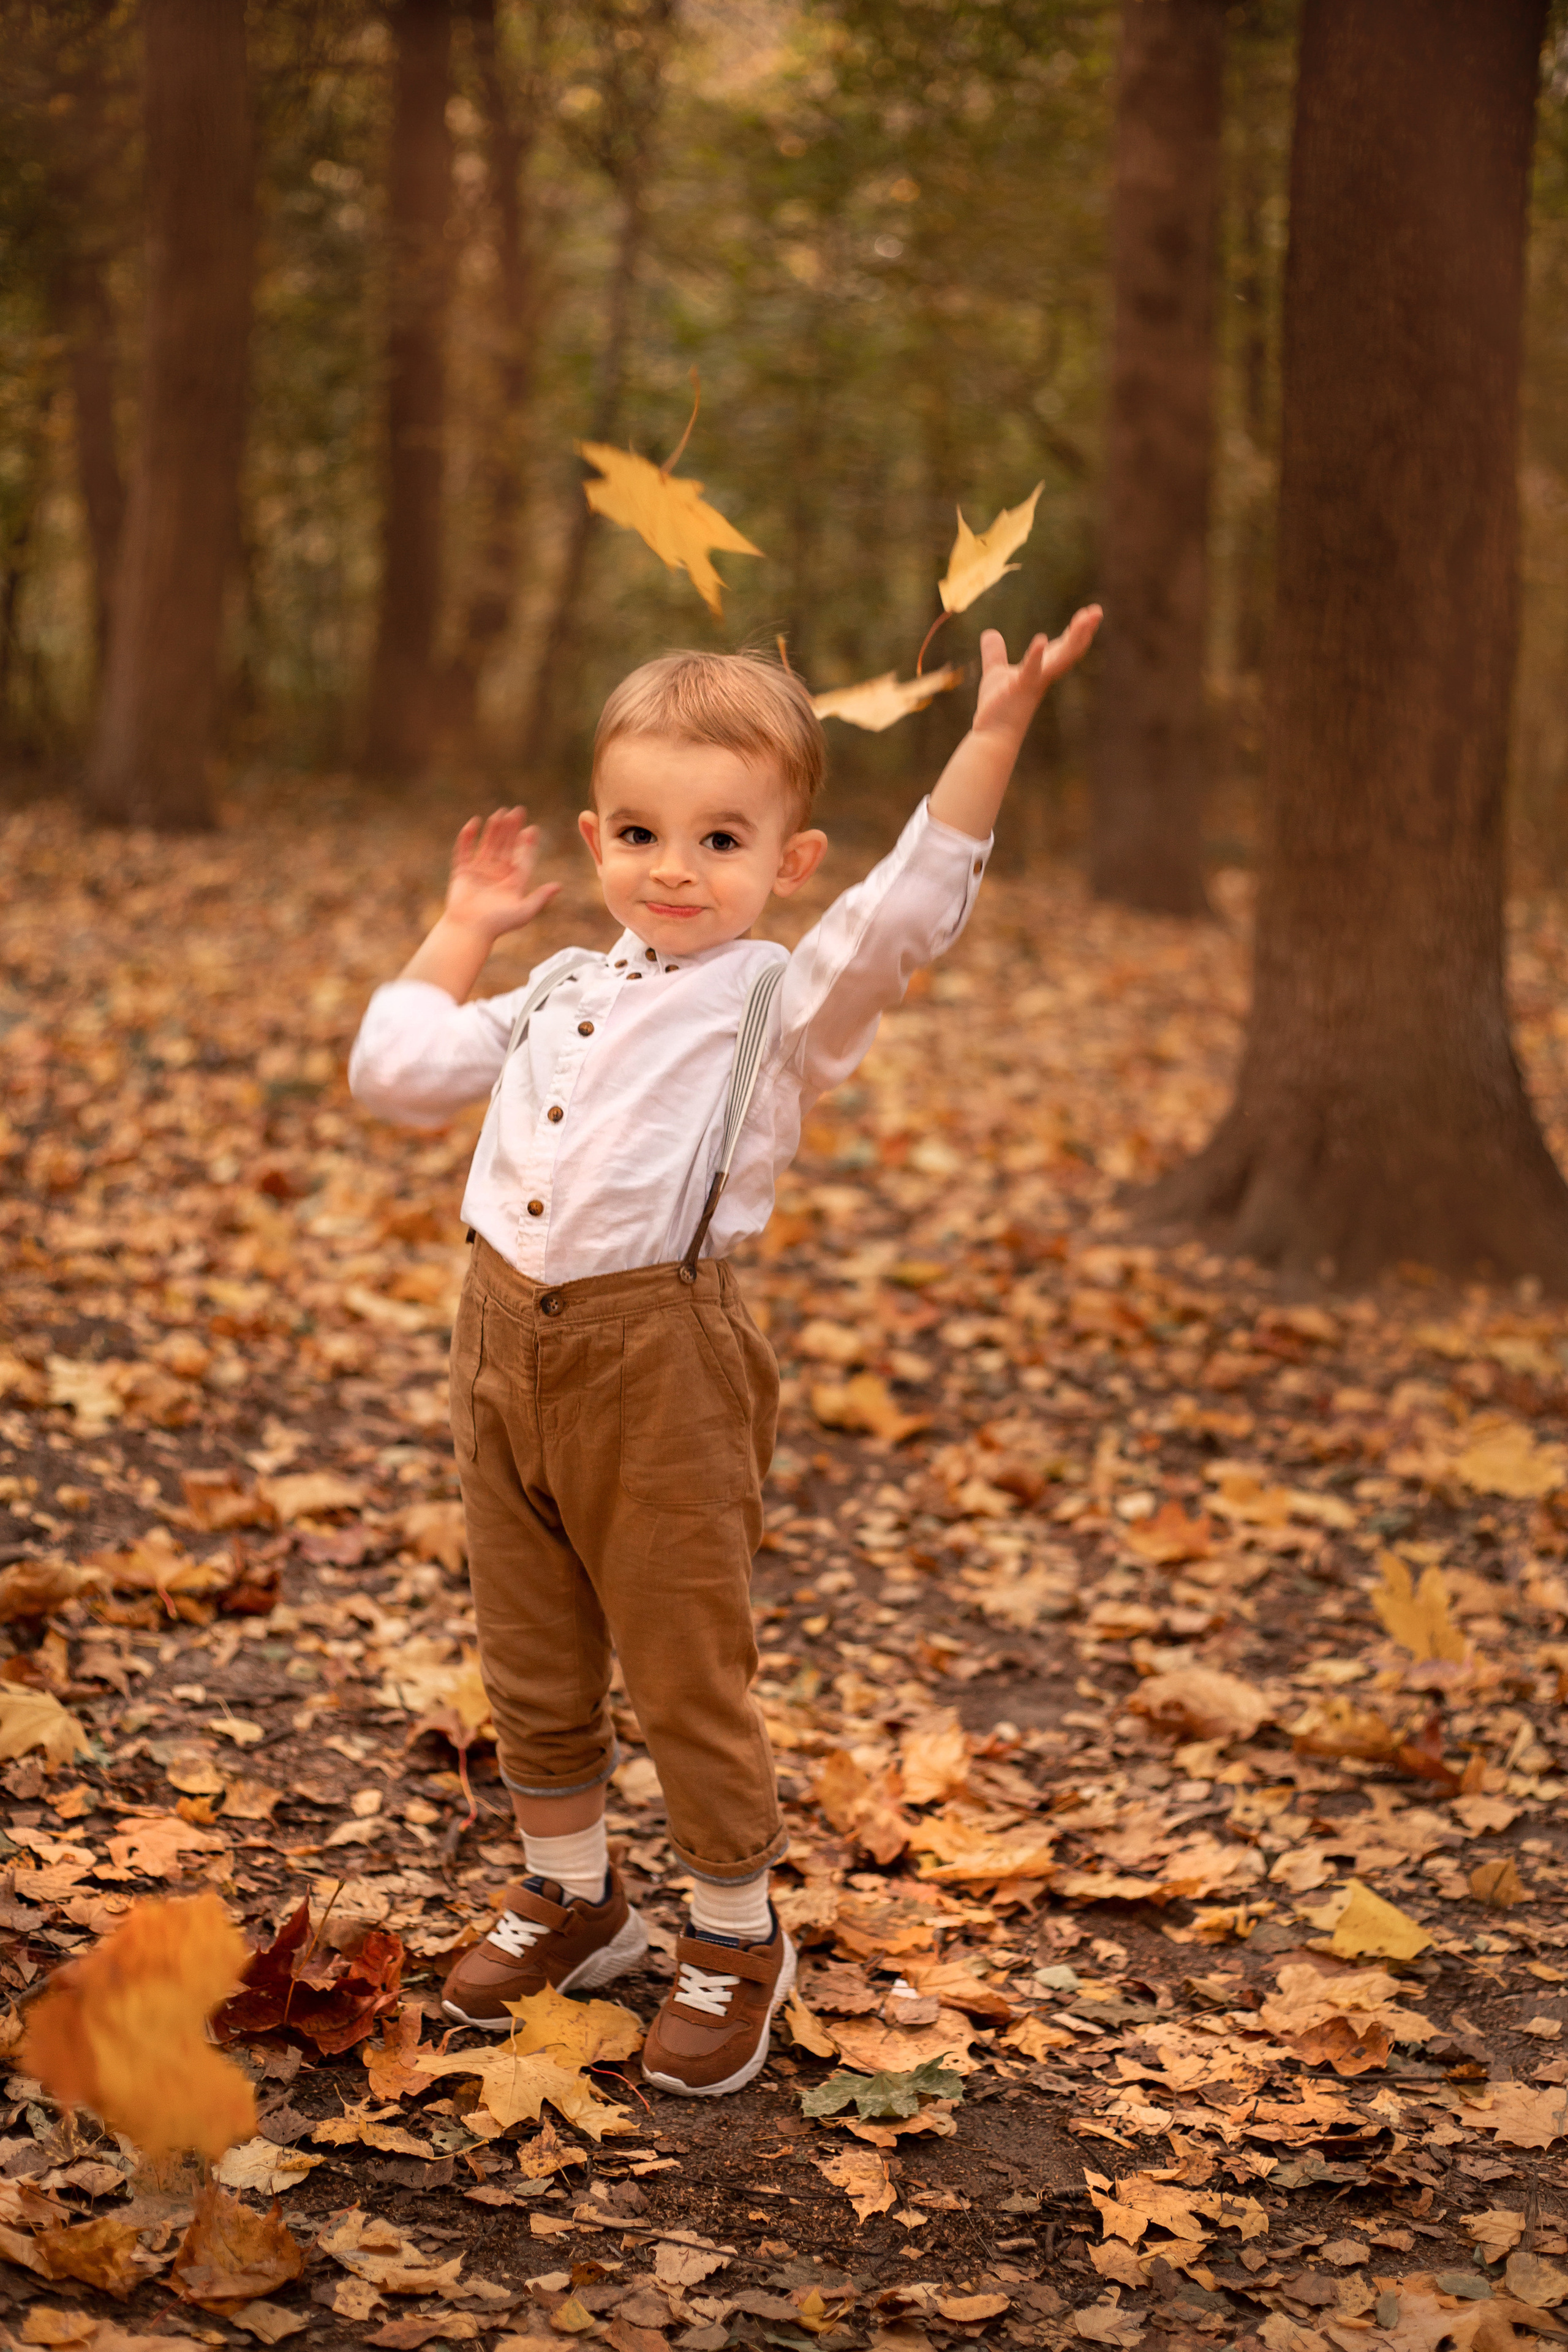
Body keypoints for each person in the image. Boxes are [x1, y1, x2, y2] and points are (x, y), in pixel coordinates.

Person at [348, 610, 1101, 2097]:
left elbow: (906, 913)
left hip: (663, 1360)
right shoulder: (558, 987)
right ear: (594, 833)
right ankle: (576, 1893)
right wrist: (464, 925)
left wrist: (991, 738)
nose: (674, 871)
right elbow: (395, 1075)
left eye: (718, 840)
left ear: (787, 864)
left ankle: (733, 1930)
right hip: (497, 1341)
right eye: (639, 833)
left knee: (685, 1661)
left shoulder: (782, 1000)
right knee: (530, 1648)